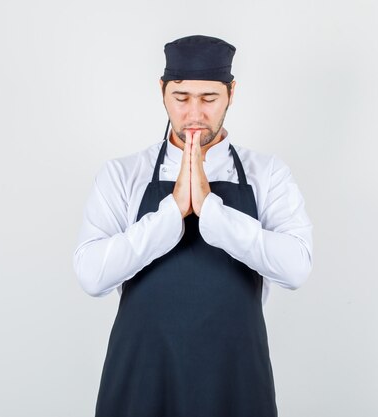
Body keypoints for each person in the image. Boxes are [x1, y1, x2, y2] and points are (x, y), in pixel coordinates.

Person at [73, 34, 313, 417]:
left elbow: (296, 268)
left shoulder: (267, 174)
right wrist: (171, 214)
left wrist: (211, 211)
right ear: (163, 91)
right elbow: (91, 275)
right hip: (143, 373)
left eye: (209, 99)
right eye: (181, 98)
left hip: (234, 375)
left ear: (231, 93)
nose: (194, 114)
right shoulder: (122, 174)